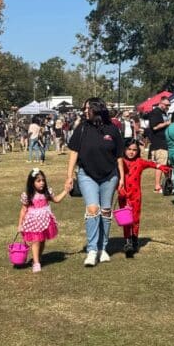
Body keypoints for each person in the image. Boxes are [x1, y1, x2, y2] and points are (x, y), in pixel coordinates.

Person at [62, 97, 124, 266]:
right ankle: (92, 250)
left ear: (96, 109)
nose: (84, 111)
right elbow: (74, 152)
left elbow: (119, 155)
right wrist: (69, 176)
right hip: (86, 175)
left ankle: (103, 248)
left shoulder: (113, 129)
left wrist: (122, 177)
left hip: (109, 176)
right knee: (92, 209)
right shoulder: (82, 128)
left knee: (105, 210)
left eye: (87, 108)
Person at [117, 139, 168, 256]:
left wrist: (161, 167)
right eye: (129, 149)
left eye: (134, 150)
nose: (131, 152)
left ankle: (135, 240)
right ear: (124, 149)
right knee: (125, 219)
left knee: (135, 219)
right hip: (123, 195)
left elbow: (151, 164)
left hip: (135, 195)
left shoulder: (139, 162)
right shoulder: (120, 162)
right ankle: (127, 242)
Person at [17, 168, 66, 272]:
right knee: (36, 241)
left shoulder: (47, 192)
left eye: (43, 180)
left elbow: (56, 199)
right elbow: (23, 210)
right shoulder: (28, 195)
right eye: (38, 181)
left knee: (42, 241)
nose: (42, 183)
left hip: (45, 221)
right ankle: (36, 263)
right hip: (34, 222)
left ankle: (38, 257)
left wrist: (66, 190)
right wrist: (20, 224)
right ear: (32, 182)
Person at [146, 96, 171, 194]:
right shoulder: (155, 112)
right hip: (159, 143)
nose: (168, 107)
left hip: (165, 142)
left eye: (169, 105)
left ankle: (168, 184)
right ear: (161, 103)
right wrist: (167, 123)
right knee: (160, 165)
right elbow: (154, 127)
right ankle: (157, 186)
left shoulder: (163, 113)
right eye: (166, 105)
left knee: (166, 164)